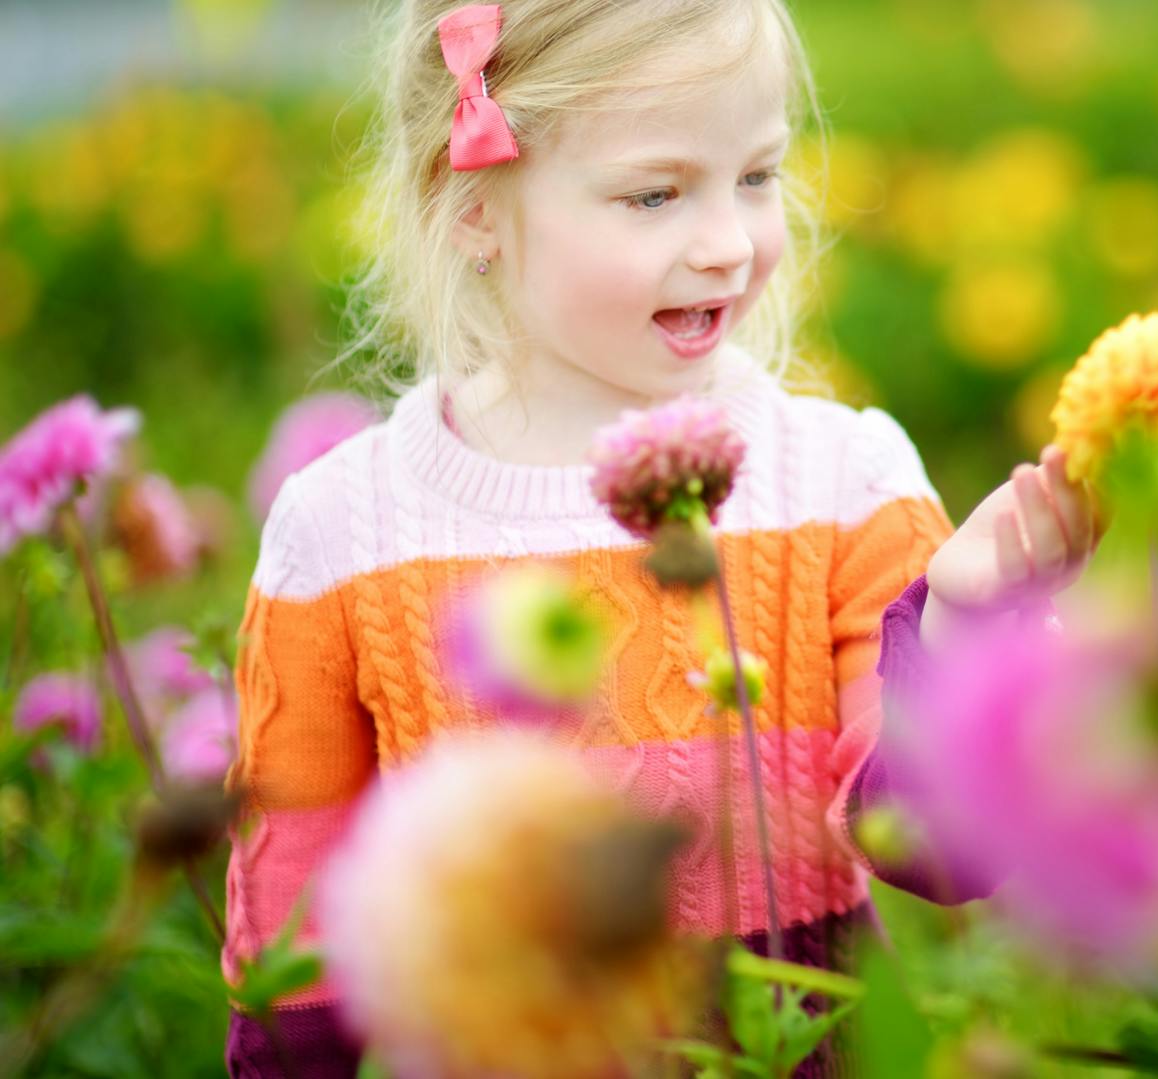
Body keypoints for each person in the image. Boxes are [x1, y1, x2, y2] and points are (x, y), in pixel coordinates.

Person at [221, 0, 1099, 1074]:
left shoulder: (840, 481)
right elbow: (295, 961)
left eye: (758, 176)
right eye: (656, 193)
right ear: (476, 208)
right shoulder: (341, 532)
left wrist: (962, 621)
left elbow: (938, 847)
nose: (730, 243)